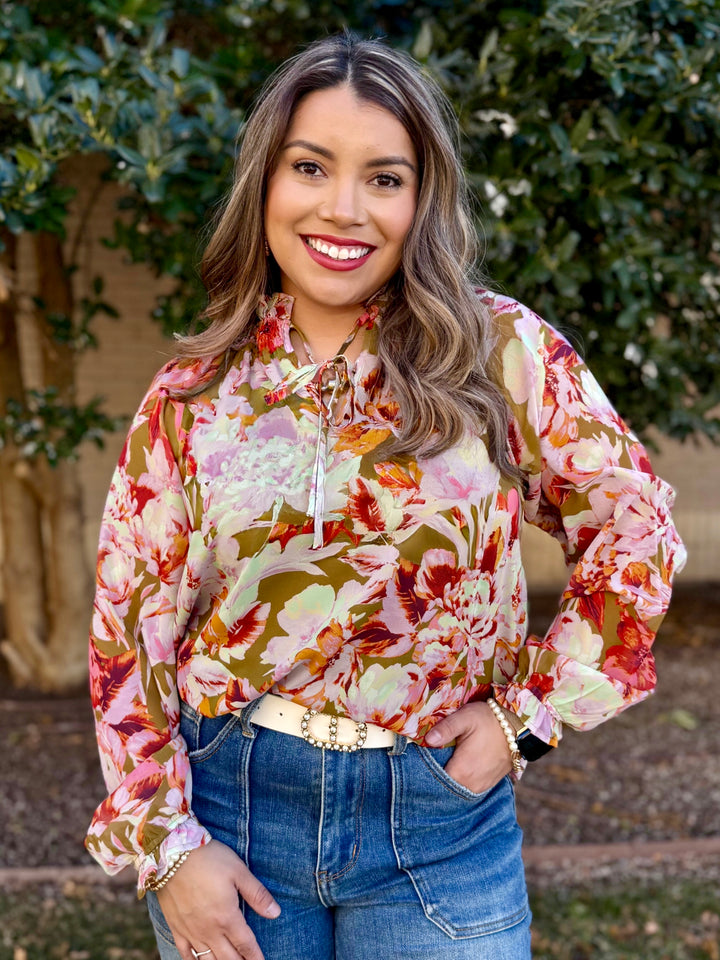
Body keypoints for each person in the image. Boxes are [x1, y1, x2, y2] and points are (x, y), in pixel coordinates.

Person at [85, 32, 686, 960]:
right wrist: (166, 851)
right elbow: (132, 630)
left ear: (422, 197)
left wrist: (526, 719)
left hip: (440, 821)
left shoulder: (497, 355)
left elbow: (635, 525)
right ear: (267, 183)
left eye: (384, 178)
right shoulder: (194, 393)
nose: (342, 208)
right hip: (235, 811)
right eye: (312, 167)